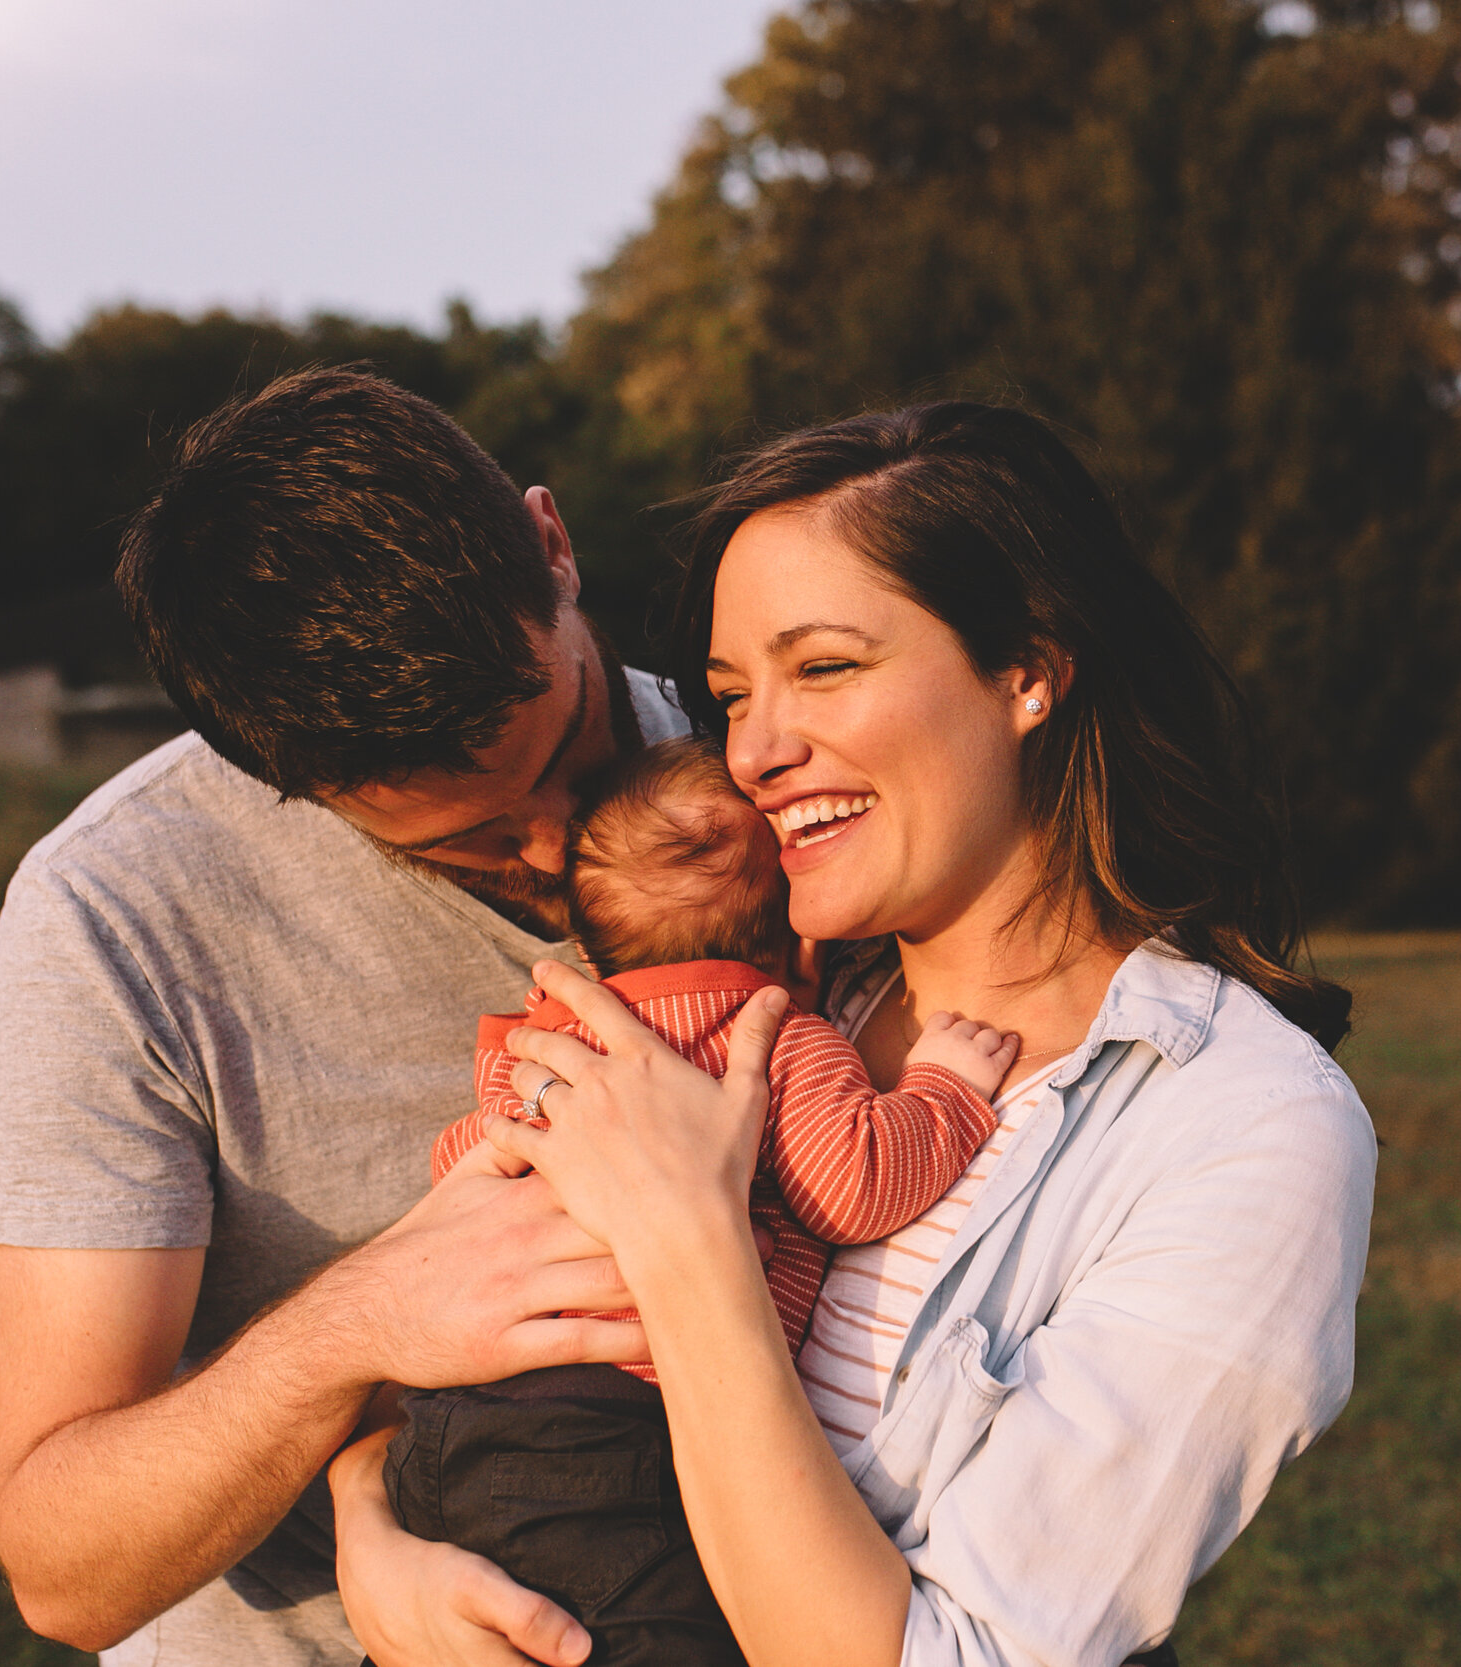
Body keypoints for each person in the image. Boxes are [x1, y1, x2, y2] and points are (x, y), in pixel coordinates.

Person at [330, 401, 1377, 1667]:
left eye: (822, 666)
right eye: (728, 695)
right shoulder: (769, 995)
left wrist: (688, 1233)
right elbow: (456, 1319)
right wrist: (371, 1526)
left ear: (1027, 671)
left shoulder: (1244, 1124)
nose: (755, 750)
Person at [0, 366, 700, 1666]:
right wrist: (358, 1320)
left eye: (571, 738)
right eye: (469, 837)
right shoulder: (113, 914)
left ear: (553, 543)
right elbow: (61, 1567)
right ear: (284, 783)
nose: (551, 845)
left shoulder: (762, 775)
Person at [385, 736, 1016, 1665]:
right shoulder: (768, 1038)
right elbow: (852, 1187)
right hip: (618, 1438)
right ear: (806, 948)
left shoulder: (549, 1046)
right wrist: (947, 1092)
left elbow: (460, 1167)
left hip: (453, 1426)